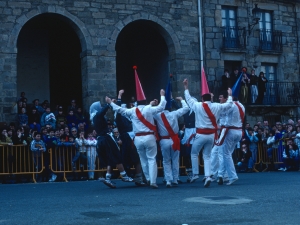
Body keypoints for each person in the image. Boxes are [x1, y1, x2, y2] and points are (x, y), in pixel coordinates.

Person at [106, 89, 166, 189]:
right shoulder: (149, 108)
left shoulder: (133, 110)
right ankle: (153, 181)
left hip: (138, 138)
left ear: (136, 102)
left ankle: (148, 178)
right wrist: (162, 96)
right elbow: (161, 107)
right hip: (149, 136)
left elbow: (119, 109)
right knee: (151, 159)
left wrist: (110, 103)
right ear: (145, 101)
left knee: (143, 159)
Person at [183, 78, 233, 187]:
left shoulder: (197, 105)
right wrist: (230, 95)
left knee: (194, 153)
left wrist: (186, 87)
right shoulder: (217, 106)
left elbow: (189, 99)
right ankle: (208, 176)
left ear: (202, 98)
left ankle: (195, 173)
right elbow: (229, 105)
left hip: (200, 134)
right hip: (211, 135)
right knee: (207, 156)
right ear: (211, 97)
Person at [153, 96, 189, 187]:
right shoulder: (174, 113)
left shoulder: (158, 116)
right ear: (170, 107)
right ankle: (175, 179)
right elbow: (186, 108)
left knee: (166, 160)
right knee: (175, 160)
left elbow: (152, 111)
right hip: (175, 140)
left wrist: (157, 104)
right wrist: (182, 100)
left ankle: (168, 180)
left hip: (164, 140)